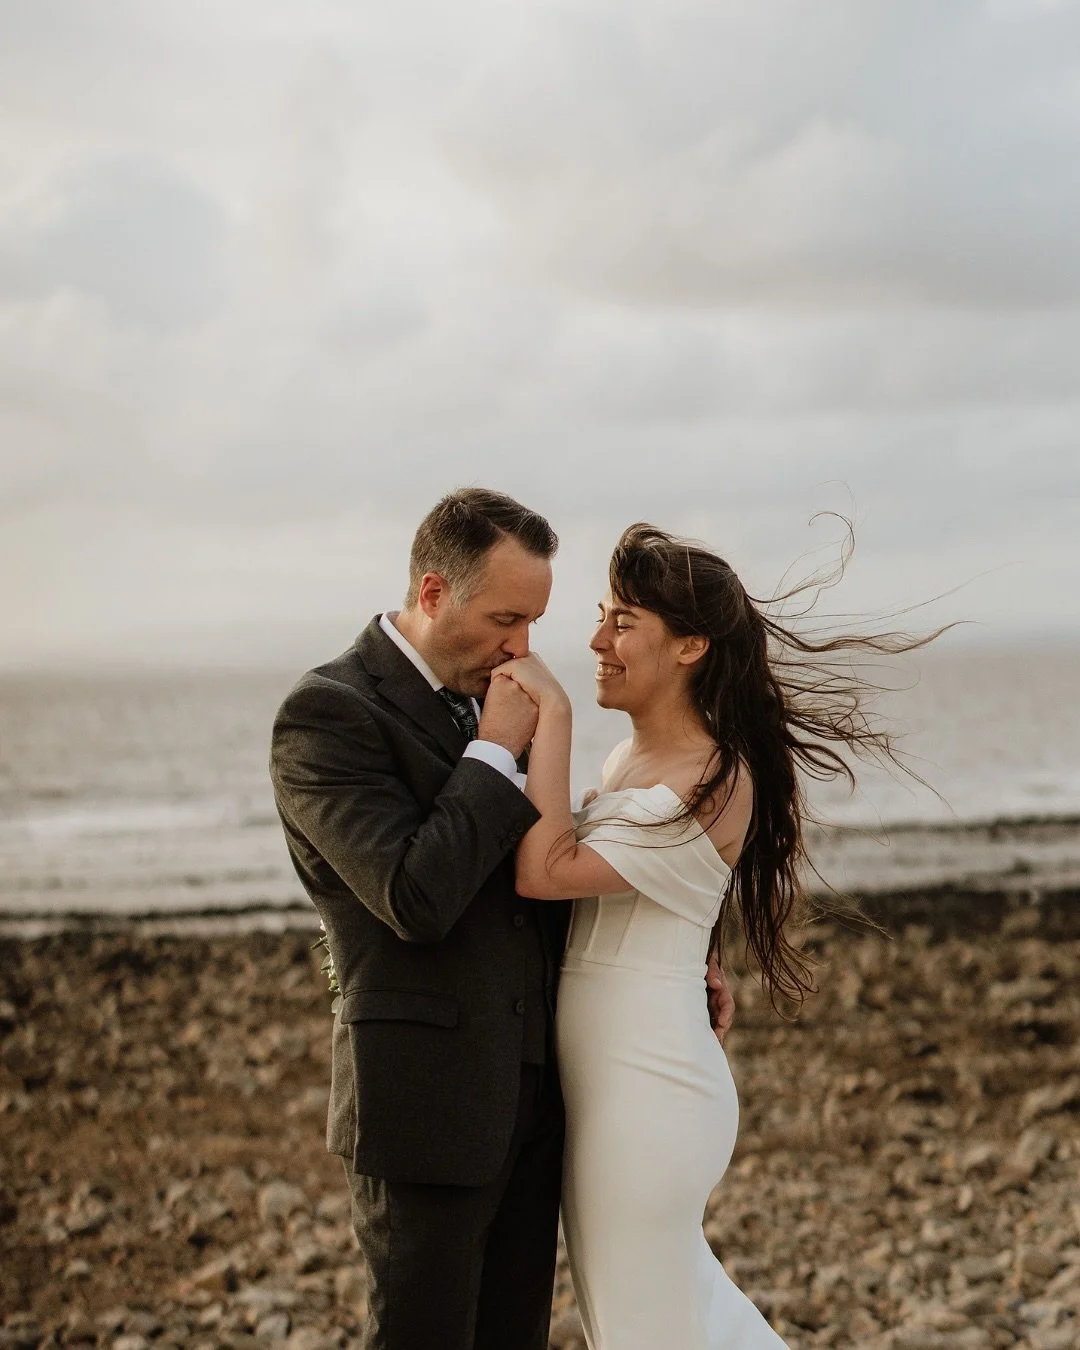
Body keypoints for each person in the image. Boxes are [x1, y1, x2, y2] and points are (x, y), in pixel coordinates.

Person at [269, 490, 735, 1350]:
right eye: (506, 618)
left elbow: (541, 882)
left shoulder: (496, 693)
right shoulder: (329, 716)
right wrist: (492, 750)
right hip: (426, 1104)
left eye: (534, 620)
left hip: (540, 1098)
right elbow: (413, 896)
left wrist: (677, 961)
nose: (522, 644)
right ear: (436, 592)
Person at [497, 521, 936, 1349]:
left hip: (650, 1091)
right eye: (601, 615)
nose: (596, 639)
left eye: (622, 621)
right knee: (646, 1320)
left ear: (692, 643)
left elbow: (546, 871)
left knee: (645, 1327)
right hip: (610, 1084)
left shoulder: (716, 776)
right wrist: (702, 950)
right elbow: (655, 895)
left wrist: (548, 712)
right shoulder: (628, 762)